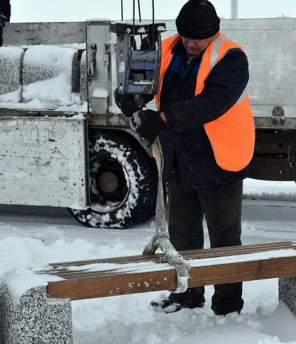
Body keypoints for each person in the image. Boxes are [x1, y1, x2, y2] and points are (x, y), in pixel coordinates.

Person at [114, 0, 256, 316]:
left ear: (214, 32)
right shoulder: (167, 49)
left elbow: (213, 102)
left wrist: (163, 118)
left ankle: (228, 305)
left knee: (225, 236)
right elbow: (144, 83)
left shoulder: (231, 57)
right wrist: (130, 97)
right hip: (178, 156)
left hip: (219, 158)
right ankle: (187, 296)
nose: (191, 42)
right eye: (186, 35)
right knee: (182, 230)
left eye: (198, 37)